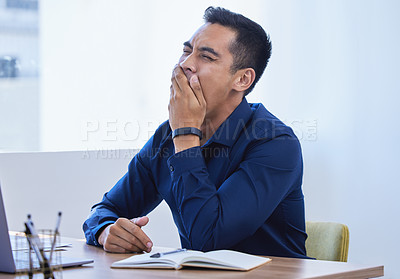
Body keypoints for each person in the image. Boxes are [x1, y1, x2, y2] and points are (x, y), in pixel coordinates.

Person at [83, 6, 308, 258]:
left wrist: (186, 136)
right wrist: (105, 231)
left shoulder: (275, 142)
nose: (186, 64)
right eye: (186, 51)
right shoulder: (168, 135)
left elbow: (208, 241)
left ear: (243, 80)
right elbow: (106, 209)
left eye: (206, 57)